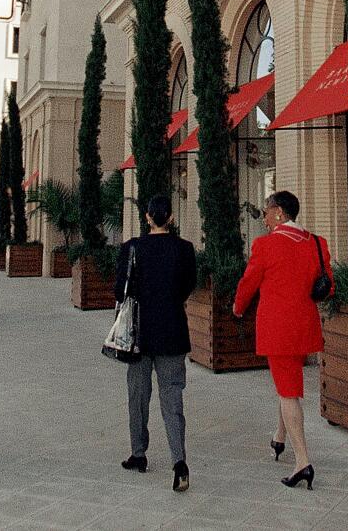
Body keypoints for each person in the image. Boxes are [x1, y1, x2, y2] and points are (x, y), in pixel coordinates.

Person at [233, 190, 332, 491]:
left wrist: (238, 307)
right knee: (287, 382)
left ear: (279, 213)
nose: (263, 217)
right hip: (304, 326)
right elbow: (328, 287)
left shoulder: (266, 245)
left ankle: (302, 461)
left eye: (265, 211)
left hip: (278, 329)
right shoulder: (317, 243)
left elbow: (249, 282)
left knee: (288, 392)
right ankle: (279, 437)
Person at [114, 196, 197, 493]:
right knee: (172, 398)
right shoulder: (184, 249)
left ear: (148, 217)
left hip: (138, 335)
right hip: (173, 332)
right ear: (171, 218)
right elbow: (188, 285)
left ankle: (139, 454)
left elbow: (119, 290)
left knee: (138, 396)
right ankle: (179, 462)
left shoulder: (132, 248)